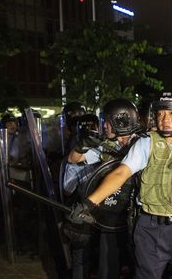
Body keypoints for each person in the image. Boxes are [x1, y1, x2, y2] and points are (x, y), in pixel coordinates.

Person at [69, 87, 172, 279]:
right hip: (153, 228)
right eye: (161, 113)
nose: (165, 120)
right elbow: (120, 174)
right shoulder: (146, 143)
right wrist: (89, 204)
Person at [66, 99, 141, 279]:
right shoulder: (106, 145)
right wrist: (82, 145)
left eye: (108, 121)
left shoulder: (143, 144)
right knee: (108, 266)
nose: (104, 126)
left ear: (120, 121)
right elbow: (73, 159)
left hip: (139, 218)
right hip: (113, 217)